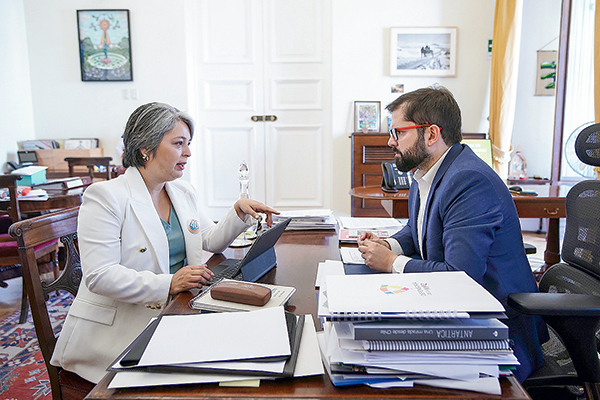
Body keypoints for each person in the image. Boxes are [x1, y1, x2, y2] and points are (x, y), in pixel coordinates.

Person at [51, 102, 279, 384]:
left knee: (246, 346)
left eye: (188, 143)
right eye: (178, 143)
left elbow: (208, 238)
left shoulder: (181, 190)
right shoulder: (105, 196)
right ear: (146, 148)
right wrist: (169, 283)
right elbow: (99, 276)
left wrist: (237, 212)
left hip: (177, 311)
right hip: (121, 331)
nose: (188, 152)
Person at [357, 86, 548, 382]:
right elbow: (418, 229)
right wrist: (389, 244)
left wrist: (391, 262)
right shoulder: (428, 171)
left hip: (497, 331)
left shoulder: (468, 181)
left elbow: (460, 275)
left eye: (398, 133)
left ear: (431, 135)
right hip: (456, 311)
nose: (389, 141)